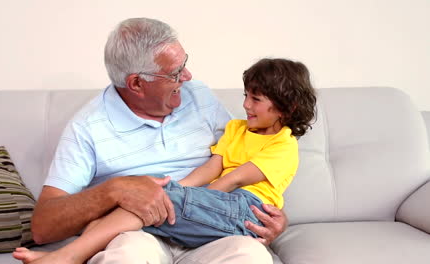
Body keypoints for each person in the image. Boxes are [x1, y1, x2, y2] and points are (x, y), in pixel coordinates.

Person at [23, 17, 290, 264]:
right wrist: (114, 190)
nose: (187, 77)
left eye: (184, 64)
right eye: (175, 73)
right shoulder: (87, 127)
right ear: (137, 83)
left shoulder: (200, 97)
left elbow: (248, 160)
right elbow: (43, 227)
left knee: (250, 256)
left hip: (208, 226)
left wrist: (272, 217)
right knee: (126, 257)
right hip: (137, 233)